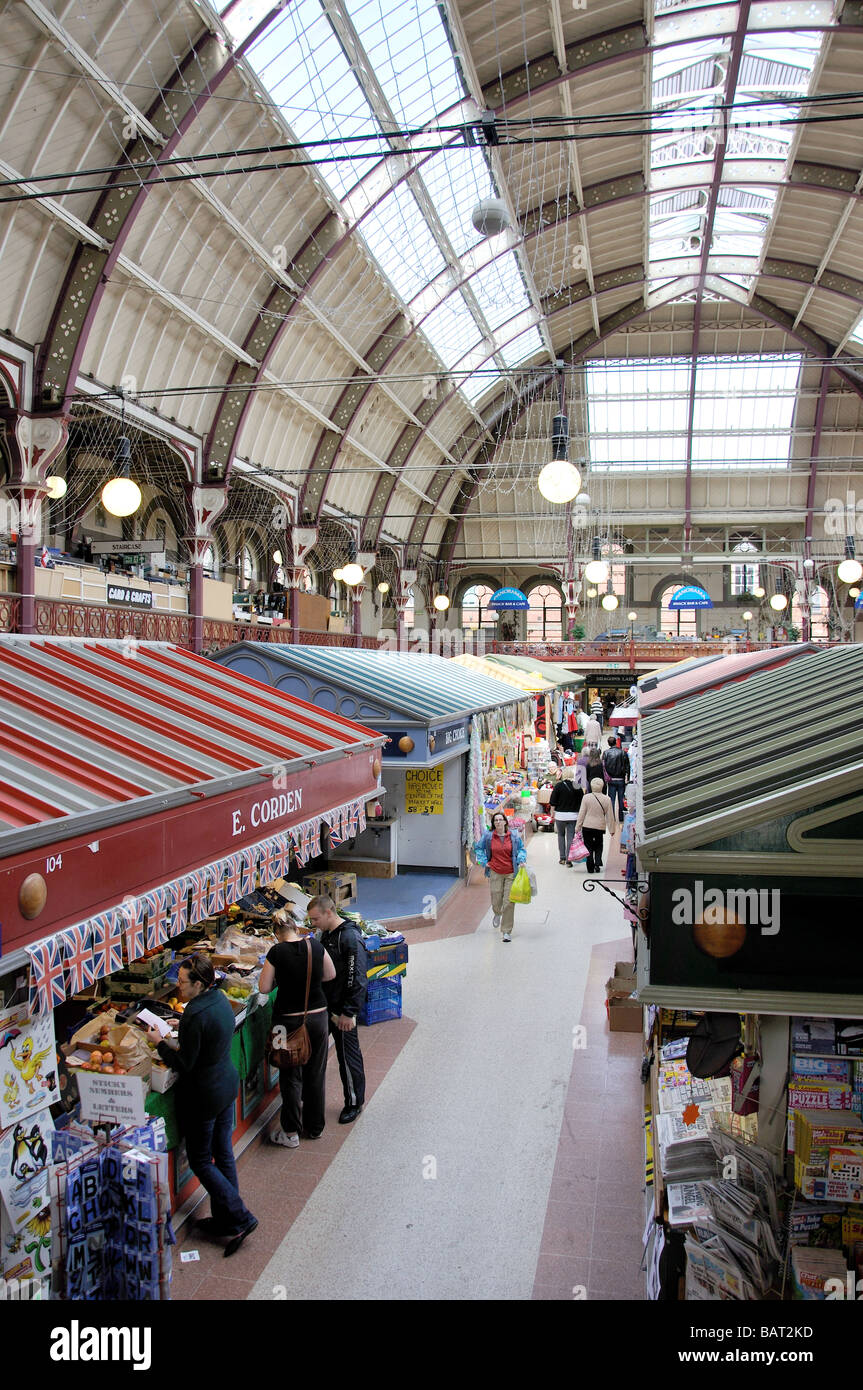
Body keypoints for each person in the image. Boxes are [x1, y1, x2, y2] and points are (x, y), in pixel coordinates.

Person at [148, 955, 256, 1256]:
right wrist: (181, 1023)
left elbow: (184, 1063)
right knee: (222, 1153)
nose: (177, 986)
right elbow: (204, 1032)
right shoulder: (218, 999)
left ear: (198, 983)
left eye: (182, 982)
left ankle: (241, 1216)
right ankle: (226, 1220)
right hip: (226, 1085)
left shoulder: (195, 1012)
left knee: (199, 1160)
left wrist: (158, 1041)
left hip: (205, 1095)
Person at [258, 908, 336, 1146]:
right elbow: (330, 974)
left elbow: (263, 988)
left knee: (290, 1075)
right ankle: (315, 1127)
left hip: (286, 1023)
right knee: (316, 1072)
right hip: (318, 1018)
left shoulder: (276, 952)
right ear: (296, 927)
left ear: (277, 932)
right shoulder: (315, 947)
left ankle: (290, 1132)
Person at [306, 895, 368, 1123]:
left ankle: (354, 1102)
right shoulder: (327, 935)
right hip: (327, 1006)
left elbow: (358, 977)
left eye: (316, 919)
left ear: (329, 912)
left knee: (348, 1058)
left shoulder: (349, 938)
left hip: (342, 1011)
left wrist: (349, 1012)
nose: (313, 924)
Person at [475, 811, 527, 942]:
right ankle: (497, 913)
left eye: (500, 819)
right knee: (496, 897)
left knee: (509, 902)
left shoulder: (513, 836)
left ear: (505, 822)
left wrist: (521, 859)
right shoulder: (488, 836)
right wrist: (483, 862)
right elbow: (478, 848)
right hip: (495, 871)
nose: (498, 822)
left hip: (511, 872)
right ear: (493, 823)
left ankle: (506, 931)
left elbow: (521, 849)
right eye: (495, 820)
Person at [575, 777, 617, 874]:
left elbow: (581, 813)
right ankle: (597, 863)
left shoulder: (586, 798)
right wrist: (612, 829)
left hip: (587, 826)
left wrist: (578, 826)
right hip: (599, 826)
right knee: (599, 845)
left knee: (588, 845)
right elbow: (610, 816)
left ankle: (590, 866)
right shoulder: (607, 799)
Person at [549, 766, 584, 865]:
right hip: (573, 816)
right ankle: (569, 860)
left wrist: (552, 813)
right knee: (570, 837)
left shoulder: (558, 786)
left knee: (560, 835)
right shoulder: (577, 786)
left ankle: (562, 858)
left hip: (560, 816)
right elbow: (582, 802)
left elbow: (553, 802)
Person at [602, 735, 631, 824]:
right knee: (621, 799)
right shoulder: (622, 753)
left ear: (608, 744)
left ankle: (612, 818)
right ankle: (621, 817)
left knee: (611, 800)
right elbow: (627, 766)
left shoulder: (606, 753)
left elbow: (604, 767)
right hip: (621, 779)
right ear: (616, 742)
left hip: (611, 779)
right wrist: (628, 778)